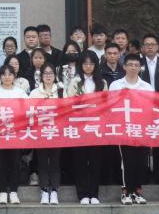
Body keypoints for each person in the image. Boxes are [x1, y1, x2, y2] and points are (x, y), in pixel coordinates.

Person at [110, 54, 152, 205]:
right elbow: (111, 105)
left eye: (136, 65)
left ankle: (137, 191)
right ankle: (125, 191)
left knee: (141, 161)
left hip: (142, 128)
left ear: (140, 68)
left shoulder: (147, 87)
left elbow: (151, 107)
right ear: (124, 67)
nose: (133, 68)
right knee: (127, 161)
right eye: (130, 65)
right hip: (124, 128)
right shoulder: (116, 85)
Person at [70, 50, 107, 205]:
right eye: (85, 63)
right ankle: (82, 194)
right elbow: (69, 101)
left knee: (95, 161)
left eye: (91, 63)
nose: (88, 66)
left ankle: (94, 193)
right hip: (79, 126)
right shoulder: (75, 81)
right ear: (81, 65)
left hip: (96, 126)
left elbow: (106, 103)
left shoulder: (102, 82)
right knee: (80, 161)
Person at [0, 64, 27, 204]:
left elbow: (27, 111)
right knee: (1, 162)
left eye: (10, 74)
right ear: (0, 76)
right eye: (4, 74)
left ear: (14, 76)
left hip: (16, 133)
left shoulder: (21, 93)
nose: (7, 77)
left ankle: (14, 192)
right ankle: (3, 192)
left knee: (15, 162)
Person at [29, 65, 64, 205]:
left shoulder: (61, 91)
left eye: (51, 73)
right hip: (40, 132)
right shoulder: (35, 92)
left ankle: (54, 190)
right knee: (42, 161)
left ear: (55, 75)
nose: (48, 76)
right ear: (41, 76)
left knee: (55, 162)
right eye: (45, 73)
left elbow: (67, 109)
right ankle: (44, 190)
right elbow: (29, 112)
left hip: (57, 132)